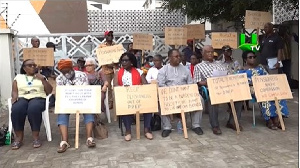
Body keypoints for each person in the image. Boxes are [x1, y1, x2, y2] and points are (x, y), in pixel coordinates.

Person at [194, 45, 243, 135]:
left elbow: (227, 74)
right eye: (208, 52)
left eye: (212, 52)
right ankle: (215, 125)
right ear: (203, 53)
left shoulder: (219, 63)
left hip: (225, 87)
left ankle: (232, 122)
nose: (210, 54)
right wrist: (209, 82)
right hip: (211, 88)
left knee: (239, 98)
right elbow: (197, 82)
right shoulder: (199, 66)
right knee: (213, 98)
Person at [158, 49, 203, 138]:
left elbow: (191, 83)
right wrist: (173, 92)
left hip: (184, 94)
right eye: (176, 56)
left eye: (179, 56)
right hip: (169, 95)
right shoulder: (163, 70)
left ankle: (196, 125)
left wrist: (186, 92)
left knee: (200, 99)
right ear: (169, 58)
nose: (179, 58)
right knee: (160, 101)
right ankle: (167, 127)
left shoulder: (185, 69)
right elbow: (161, 85)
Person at [238, 50, 289, 130]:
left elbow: (268, 78)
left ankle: (278, 118)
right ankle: (269, 120)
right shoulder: (241, 70)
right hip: (252, 88)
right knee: (265, 96)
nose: (253, 59)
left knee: (279, 95)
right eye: (250, 57)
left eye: (254, 57)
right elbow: (240, 83)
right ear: (245, 59)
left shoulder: (261, 68)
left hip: (265, 87)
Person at [10, 59, 53, 150]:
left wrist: (42, 79)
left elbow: (49, 91)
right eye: (30, 65)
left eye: (34, 65)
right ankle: (18, 138)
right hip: (22, 97)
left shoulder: (41, 77)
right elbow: (14, 91)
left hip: (38, 97)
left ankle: (36, 137)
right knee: (17, 109)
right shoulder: (18, 77)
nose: (33, 67)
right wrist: (14, 98)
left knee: (33, 108)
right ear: (24, 68)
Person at [56, 59, 96, 153]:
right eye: (63, 71)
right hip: (67, 102)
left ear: (72, 68)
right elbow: (61, 94)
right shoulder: (59, 78)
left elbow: (86, 91)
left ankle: (89, 138)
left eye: (67, 70)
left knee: (88, 109)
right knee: (61, 111)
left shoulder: (82, 75)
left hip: (82, 100)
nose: (65, 73)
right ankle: (64, 141)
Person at [113, 52, 152, 141]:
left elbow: (145, 84)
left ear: (131, 62)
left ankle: (147, 129)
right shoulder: (118, 73)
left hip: (139, 97)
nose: (123, 63)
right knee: (125, 107)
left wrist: (140, 87)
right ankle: (128, 131)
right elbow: (115, 86)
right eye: (122, 61)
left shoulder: (139, 71)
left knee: (149, 106)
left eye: (126, 61)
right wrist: (124, 88)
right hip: (125, 98)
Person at [98, 30, 117, 109]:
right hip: (106, 70)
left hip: (115, 69)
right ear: (105, 37)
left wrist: (115, 64)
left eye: (111, 35)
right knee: (108, 87)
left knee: (116, 86)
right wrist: (108, 64)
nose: (110, 37)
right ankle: (110, 103)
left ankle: (117, 102)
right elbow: (101, 58)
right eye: (108, 35)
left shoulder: (116, 46)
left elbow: (118, 56)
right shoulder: (101, 47)